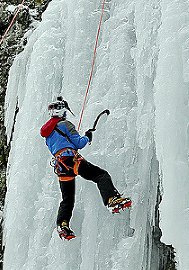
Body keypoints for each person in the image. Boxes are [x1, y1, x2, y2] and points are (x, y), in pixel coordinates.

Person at [41, 97, 131, 240]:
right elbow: (78, 143)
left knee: (67, 199)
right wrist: (87, 136)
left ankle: (62, 224)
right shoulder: (65, 124)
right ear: (62, 111)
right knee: (101, 175)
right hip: (72, 160)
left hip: (61, 167)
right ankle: (111, 199)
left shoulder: (47, 132)